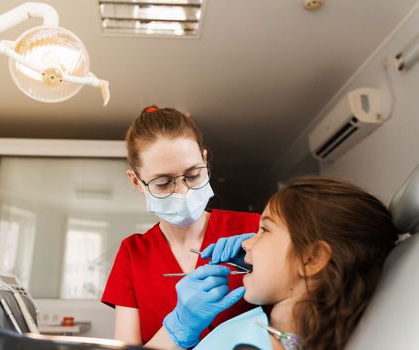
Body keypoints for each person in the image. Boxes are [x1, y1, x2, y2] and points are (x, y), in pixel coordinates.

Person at [163, 176, 398, 350]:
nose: (245, 244)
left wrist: (178, 331)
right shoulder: (262, 326)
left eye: (264, 229)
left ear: (312, 258)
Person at [101, 106, 260, 347]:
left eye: (193, 175)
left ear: (204, 160)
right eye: (163, 183)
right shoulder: (133, 253)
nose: (183, 192)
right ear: (137, 182)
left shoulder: (256, 228)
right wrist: (179, 326)